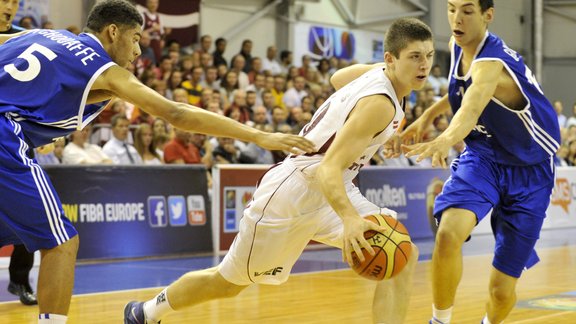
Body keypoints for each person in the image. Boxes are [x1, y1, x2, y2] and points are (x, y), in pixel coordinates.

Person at [0, 1, 314, 323]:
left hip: (11, 128)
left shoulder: (38, 35)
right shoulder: (104, 69)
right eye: (135, 38)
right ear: (112, 32)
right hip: (3, 134)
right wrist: (259, 136)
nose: (138, 50)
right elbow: (176, 113)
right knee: (62, 243)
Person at [123, 17, 433, 324]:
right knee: (228, 283)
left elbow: (338, 78)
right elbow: (327, 169)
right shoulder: (380, 104)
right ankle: (146, 313)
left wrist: (370, 132)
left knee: (401, 254)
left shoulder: (381, 76)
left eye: (429, 56)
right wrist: (351, 220)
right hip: (294, 191)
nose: (424, 65)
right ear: (390, 59)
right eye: (415, 57)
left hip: (333, 188)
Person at [400, 1, 561, 323]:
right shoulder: (457, 46)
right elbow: (462, 90)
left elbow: (471, 108)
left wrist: (445, 138)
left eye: (468, 10)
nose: (456, 19)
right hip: (484, 156)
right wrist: (429, 116)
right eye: (451, 8)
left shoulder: (492, 63)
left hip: (531, 171)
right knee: (447, 234)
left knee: (501, 291)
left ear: (488, 15)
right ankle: (439, 321)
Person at [0, 0, 37, 306]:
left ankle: (20, 281)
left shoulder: (25, 38)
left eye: (14, 1)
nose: (9, 6)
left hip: (17, 136)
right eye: (5, 0)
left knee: (32, 212)